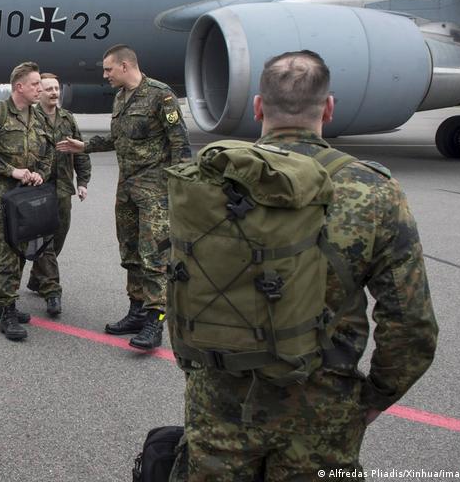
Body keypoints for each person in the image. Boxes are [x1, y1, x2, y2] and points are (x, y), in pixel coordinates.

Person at [169, 50, 438, 479]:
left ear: (258, 107)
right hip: (323, 407)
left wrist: (198, 371)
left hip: (220, 398)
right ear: (328, 109)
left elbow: (183, 277)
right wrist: (373, 398)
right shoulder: (372, 190)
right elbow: (411, 324)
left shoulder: (208, 181)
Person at [56, 44, 191, 349]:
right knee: (129, 251)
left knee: (154, 256)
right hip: (127, 187)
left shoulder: (160, 95)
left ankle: (155, 322)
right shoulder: (120, 97)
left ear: (126, 66)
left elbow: (180, 145)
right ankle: (136, 310)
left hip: (155, 190)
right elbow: (119, 139)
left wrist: (176, 190)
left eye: (108, 69)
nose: (105, 75)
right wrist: (84, 146)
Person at [0, 62, 55, 340]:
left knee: (21, 249)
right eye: (35, 84)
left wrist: (40, 174)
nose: (39, 89)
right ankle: (7, 312)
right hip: (0, 198)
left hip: (26, 197)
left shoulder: (39, 116)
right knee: (10, 251)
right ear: (19, 87)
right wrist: (13, 171)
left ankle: (1, 302)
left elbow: (48, 151)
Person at [26, 73, 91, 316]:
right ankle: (52, 291)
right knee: (45, 240)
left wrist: (83, 181)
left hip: (64, 189)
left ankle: (37, 277)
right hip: (39, 189)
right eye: (49, 89)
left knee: (59, 237)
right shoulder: (30, 119)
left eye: (56, 88)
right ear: (39, 92)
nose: (54, 92)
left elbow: (80, 150)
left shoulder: (67, 118)